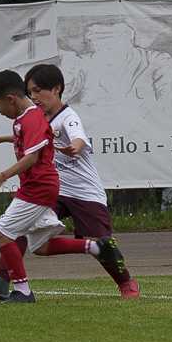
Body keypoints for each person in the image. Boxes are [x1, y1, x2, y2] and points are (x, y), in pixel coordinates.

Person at [21, 63, 140, 296]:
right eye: (30, 92)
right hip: (56, 191)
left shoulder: (68, 117)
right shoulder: (40, 118)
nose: (33, 97)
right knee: (23, 228)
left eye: (38, 90)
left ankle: (126, 283)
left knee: (104, 244)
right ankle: (4, 279)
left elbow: (78, 137)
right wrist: (2, 139)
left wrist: (74, 147)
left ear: (56, 89)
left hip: (85, 192)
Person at [0, 69, 64, 303]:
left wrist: (2, 176)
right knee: (40, 245)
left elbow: (32, 157)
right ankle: (92, 246)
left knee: (3, 234)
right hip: (36, 186)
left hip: (39, 187)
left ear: (11, 99)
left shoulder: (31, 117)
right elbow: (27, 138)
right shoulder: (25, 118)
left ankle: (22, 291)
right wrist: (0, 139)